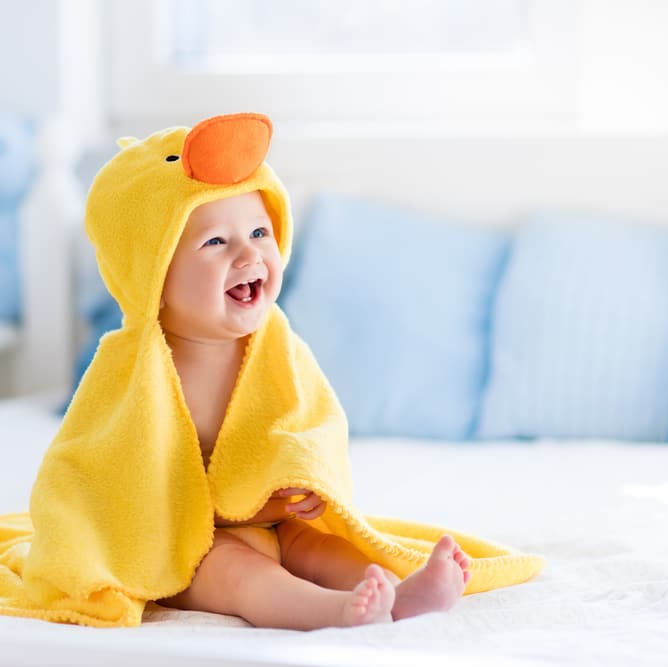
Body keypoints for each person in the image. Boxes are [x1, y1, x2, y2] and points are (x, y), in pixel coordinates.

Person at [154, 189, 470, 629]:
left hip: (279, 524)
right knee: (242, 575)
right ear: (155, 277)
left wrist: (308, 479)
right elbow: (130, 483)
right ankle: (334, 611)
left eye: (259, 232)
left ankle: (401, 593)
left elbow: (314, 423)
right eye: (216, 242)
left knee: (324, 550)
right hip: (188, 544)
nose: (249, 253)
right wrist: (243, 510)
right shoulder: (144, 374)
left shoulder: (278, 351)